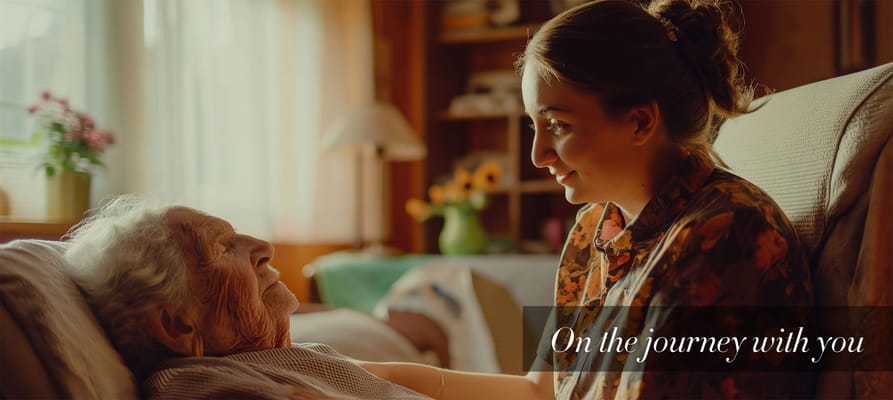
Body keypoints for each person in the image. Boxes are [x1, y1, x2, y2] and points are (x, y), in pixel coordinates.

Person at [361, 0, 813, 398]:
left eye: (557, 125)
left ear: (639, 122)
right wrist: (359, 378)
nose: (538, 155)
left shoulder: (727, 233)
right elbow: (542, 392)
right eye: (533, 127)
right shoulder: (593, 231)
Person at [64, 196, 429, 399]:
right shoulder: (198, 384)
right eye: (221, 247)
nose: (264, 247)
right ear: (175, 325)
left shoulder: (287, 358)